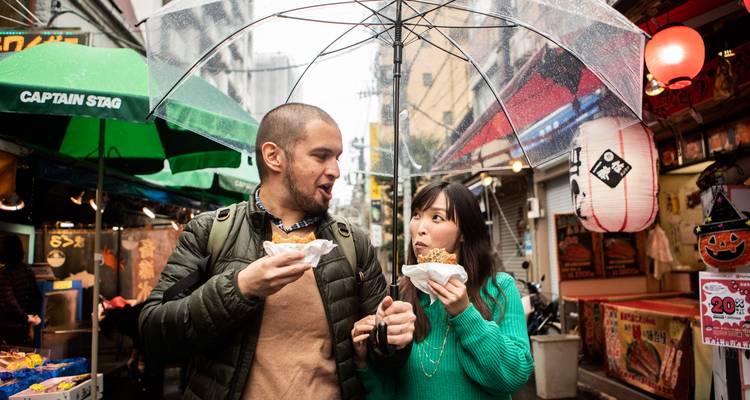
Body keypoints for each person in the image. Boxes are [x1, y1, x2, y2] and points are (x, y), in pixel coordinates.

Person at [139, 103, 415, 400]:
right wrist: (239, 288)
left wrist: (391, 338)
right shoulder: (210, 232)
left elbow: (384, 360)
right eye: (321, 156)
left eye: (337, 158)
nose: (335, 170)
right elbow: (154, 331)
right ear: (274, 157)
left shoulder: (353, 243)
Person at [352, 181, 534, 399]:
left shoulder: (498, 288)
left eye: (436, 217)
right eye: (417, 215)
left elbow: (514, 376)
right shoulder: (399, 297)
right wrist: (364, 360)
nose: (420, 228)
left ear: (464, 233)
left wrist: (465, 314)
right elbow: (389, 391)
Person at [0, 234, 42, 346]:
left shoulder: (5, 273)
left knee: (8, 360)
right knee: (24, 359)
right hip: (24, 327)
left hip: (6, 329)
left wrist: (25, 318)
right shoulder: (27, 270)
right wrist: (33, 316)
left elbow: (9, 302)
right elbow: (37, 297)